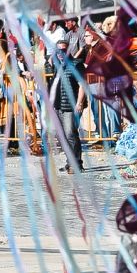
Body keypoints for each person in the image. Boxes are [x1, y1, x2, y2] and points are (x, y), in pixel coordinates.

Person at [49, 37, 85, 172]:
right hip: (58, 105)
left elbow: (82, 85)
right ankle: (70, 162)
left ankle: (77, 163)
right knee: (62, 136)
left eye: (63, 50)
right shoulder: (57, 65)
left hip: (71, 105)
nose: (60, 53)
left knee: (70, 134)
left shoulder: (76, 64)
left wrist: (79, 103)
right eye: (58, 51)